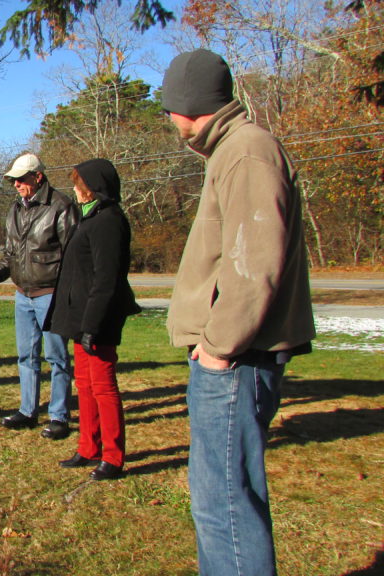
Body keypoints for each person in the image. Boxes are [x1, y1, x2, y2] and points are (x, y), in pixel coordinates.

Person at [162, 49, 315, 576]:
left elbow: (254, 264)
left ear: (189, 103)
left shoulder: (247, 151)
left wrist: (220, 348)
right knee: (216, 502)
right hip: (232, 357)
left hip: (236, 359)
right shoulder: (231, 150)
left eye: (169, 107)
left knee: (225, 505)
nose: (168, 118)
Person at [47, 159, 140, 481]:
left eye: (78, 183)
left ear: (93, 187)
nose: (74, 188)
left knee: (103, 387)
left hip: (98, 319)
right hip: (80, 318)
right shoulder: (90, 219)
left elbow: (106, 280)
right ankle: (89, 446)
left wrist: (93, 325)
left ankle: (113, 456)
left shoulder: (110, 221)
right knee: (84, 385)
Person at [0, 153, 78, 439]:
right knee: (26, 356)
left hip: (51, 294)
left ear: (38, 177)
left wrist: (68, 293)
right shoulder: (15, 209)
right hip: (22, 294)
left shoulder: (61, 206)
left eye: (21, 179)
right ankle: (28, 411)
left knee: (57, 357)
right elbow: (11, 254)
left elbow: (73, 255)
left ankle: (59, 416)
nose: (16, 185)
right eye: (13, 180)